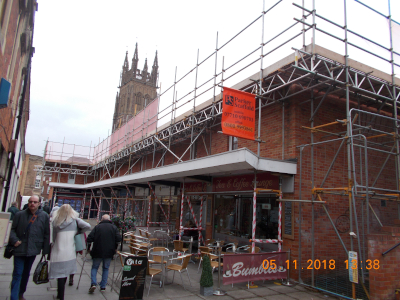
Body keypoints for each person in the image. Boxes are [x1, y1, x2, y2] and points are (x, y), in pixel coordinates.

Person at [9, 195, 50, 300]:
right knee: (18, 273)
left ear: (39, 203)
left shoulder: (44, 216)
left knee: (26, 273)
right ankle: (14, 297)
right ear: (28, 203)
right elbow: (12, 229)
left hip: (33, 249)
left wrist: (45, 251)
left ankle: (21, 293)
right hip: (19, 248)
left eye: (35, 202)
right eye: (30, 201)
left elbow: (46, 233)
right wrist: (14, 241)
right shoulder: (19, 215)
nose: (32, 203)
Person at [49, 204, 91, 300]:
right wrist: (78, 231)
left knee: (60, 275)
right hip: (69, 251)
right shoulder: (75, 220)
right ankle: (61, 293)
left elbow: (54, 237)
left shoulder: (55, 221)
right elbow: (87, 226)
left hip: (58, 250)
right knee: (65, 273)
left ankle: (60, 294)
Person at [87, 214, 121, 293]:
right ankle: (103, 286)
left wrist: (88, 248)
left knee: (95, 267)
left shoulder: (97, 227)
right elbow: (118, 239)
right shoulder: (114, 227)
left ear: (101, 219)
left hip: (97, 250)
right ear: (109, 220)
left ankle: (93, 283)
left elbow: (89, 238)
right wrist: (115, 248)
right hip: (109, 251)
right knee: (106, 268)